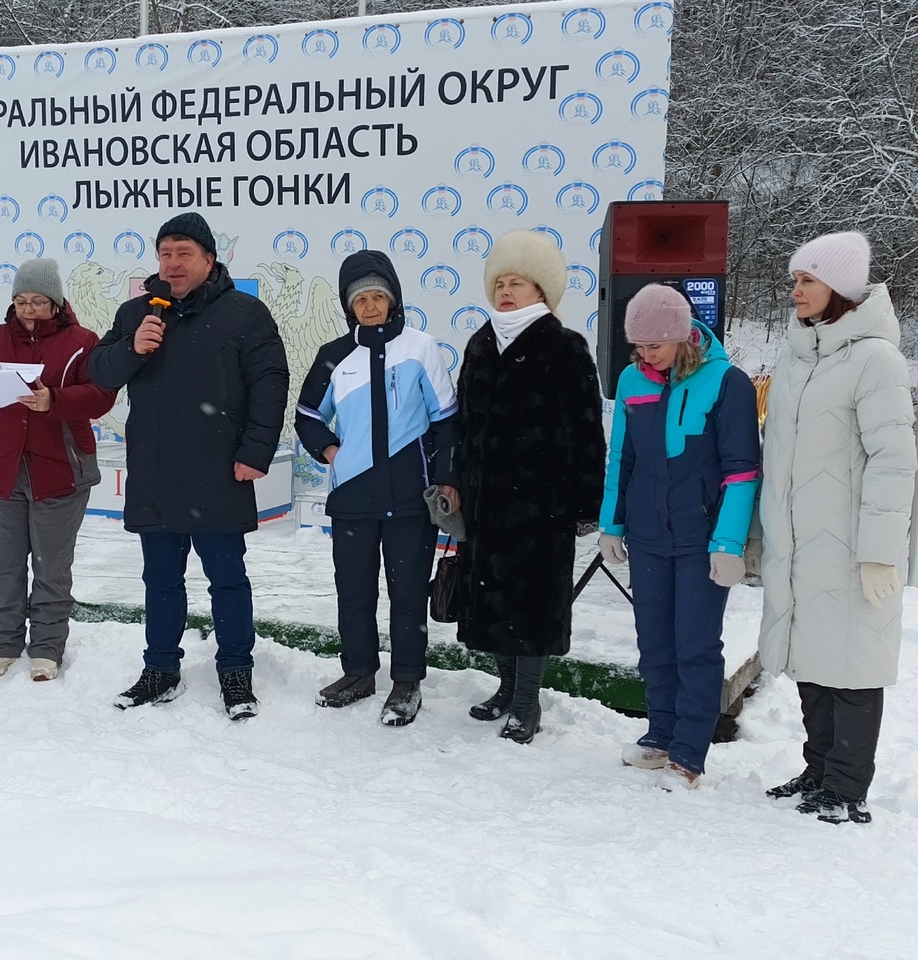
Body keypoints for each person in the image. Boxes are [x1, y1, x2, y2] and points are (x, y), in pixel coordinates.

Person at [87, 212, 289, 720]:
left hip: (217, 472)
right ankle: (160, 670)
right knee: (160, 579)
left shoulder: (244, 313)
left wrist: (254, 452)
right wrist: (133, 349)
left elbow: (270, 383)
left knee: (227, 578)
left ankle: (236, 673)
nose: (173, 264)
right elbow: (99, 371)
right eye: (165, 254)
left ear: (209, 260)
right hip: (155, 473)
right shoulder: (138, 313)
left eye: (184, 254)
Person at [758, 231, 915, 824]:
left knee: (850, 665)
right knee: (811, 657)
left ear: (841, 290)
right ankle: (819, 766)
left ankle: (848, 785)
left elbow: (894, 460)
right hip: (798, 541)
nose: (794, 290)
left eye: (807, 281)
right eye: (794, 280)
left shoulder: (876, 359)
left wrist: (879, 551)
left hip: (850, 544)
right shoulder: (796, 356)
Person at [597, 284, 760, 790]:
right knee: (655, 644)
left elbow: (741, 471)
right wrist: (611, 523)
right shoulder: (631, 381)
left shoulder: (726, 382)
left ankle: (689, 752)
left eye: (656, 346)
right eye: (640, 347)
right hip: (647, 536)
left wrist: (729, 543)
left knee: (695, 645)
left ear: (683, 336)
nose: (648, 355)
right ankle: (660, 735)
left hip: (702, 539)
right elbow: (621, 458)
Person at [294, 250, 459, 726]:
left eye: (378, 297)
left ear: (393, 300)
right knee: (354, 592)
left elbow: (447, 421)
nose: (369, 306)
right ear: (350, 306)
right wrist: (331, 452)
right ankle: (359, 673)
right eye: (360, 299)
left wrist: (446, 479)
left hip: (411, 498)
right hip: (353, 499)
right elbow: (307, 414)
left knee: (408, 594)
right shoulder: (333, 355)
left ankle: (407, 683)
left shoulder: (422, 348)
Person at [456, 229, 606, 743]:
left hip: (541, 507)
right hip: (485, 504)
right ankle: (504, 688)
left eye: (516, 281)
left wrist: (585, 503)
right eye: (499, 281)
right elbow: (464, 425)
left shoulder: (564, 347)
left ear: (541, 290)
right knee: (492, 601)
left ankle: (527, 702)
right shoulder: (479, 343)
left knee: (532, 607)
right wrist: (459, 484)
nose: (506, 290)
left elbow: (587, 432)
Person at [0, 259, 116, 682]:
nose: (28, 309)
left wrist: (53, 401)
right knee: (1, 565)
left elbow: (101, 396)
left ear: (55, 302)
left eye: (37, 301)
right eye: (20, 301)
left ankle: (46, 648)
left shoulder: (82, 341)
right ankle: (2, 644)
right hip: (4, 470)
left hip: (61, 471)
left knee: (51, 566)